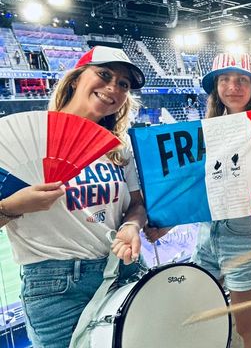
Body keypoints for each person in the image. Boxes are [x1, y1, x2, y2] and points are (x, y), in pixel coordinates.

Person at [146, 52, 251, 348]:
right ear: (216, 87)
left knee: (246, 325)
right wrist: (169, 221)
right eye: (225, 80)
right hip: (207, 237)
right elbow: (198, 187)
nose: (233, 86)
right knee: (201, 317)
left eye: (242, 80)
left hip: (244, 237)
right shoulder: (206, 131)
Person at [0, 46, 148, 348]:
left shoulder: (117, 151)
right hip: (55, 287)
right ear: (75, 80)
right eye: (104, 75)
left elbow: (136, 204)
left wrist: (132, 226)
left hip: (122, 268)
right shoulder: (28, 137)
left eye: (123, 84)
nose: (113, 88)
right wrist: (13, 207)